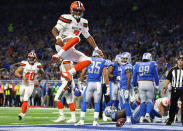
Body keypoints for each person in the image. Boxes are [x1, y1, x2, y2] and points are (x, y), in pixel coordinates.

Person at [51, 1, 103, 83]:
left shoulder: (84, 22)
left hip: (69, 49)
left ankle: (69, 73)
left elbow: (88, 36)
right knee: (77, 38)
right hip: (61, 45)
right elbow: (54, 29)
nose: (78, 12)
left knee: (88, 60)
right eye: (76, 10)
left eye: (80, 11)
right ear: (71, 10)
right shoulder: (66, 17)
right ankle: (58, 55)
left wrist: (96, 48)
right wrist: (58, 38)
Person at [75, 50, 109, 126]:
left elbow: (83, 72)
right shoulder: (103, 61)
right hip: (97, 84)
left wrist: (80, 83)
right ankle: (95, 121)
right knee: (97, 103)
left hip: (90, 83)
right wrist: (108, 86)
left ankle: (81, 120)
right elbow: (105, 75)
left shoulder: (88, 59)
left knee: (85, 102)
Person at [14, 51, 44, 120]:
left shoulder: (38, 65)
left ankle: (21, 114)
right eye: (30, 57)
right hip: (23, 84)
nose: (31, 59)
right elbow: (16, 72)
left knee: (25, 98)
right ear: (28, 57)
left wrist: (39, 81)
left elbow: (42, 74)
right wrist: (22, 77)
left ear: (35, 58)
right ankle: (25, 107)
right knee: (21, 97)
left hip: (30, 85)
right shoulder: (24, 63)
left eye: (32, 58)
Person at [132, 53, 159, 123]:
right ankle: (147, 115)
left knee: (142, 101)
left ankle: (141, 117)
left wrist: (134, 84)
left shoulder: (137, 64)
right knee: (150, 100)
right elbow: (156, 75)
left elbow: (134, 76)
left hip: (140, 83)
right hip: (149, 82)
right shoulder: (152, 63)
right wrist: (157, 84)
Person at [162, 54, 183, 126]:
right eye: (179, 60)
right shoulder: (172, 70)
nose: (180, 62)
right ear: (177, 61)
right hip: (175, 89)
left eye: (182, 60)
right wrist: (164, 87)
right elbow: (168, 79)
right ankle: (170, 119)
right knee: (173, 105)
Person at [54, 59, 76, 123]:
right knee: (70, 101)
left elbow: (69, 73)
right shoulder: (70, 61)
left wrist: (68, 84)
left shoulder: (66, 61)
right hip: (70, 82)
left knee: (57, 98)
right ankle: (73, 118)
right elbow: (73, 73)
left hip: (67, 83)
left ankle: (62, 116)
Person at [119, 52, 133, 124]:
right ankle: (123, 118)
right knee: (122, 104)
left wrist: (127, 89)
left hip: (125, 88)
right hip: (121, 87)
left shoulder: (128, 66)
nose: (123, 60)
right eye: (122, 58)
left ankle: (129, 119)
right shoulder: (123, 67)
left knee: (127, 103)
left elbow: (129, 78)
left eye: (125, 58)